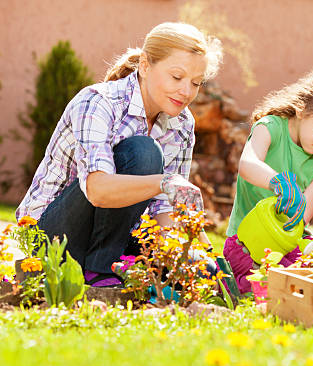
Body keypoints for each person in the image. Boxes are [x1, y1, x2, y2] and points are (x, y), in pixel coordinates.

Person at [16, 22, 223, 287]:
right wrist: (164, 182)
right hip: (52, 234)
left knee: (200, 269)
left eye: (196, 83)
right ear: (146, 66)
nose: (186, 92)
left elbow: (164, 210)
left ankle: (109, 268)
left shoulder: (182, 124)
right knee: (144, 152)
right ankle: (100, 272)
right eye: (176, 77)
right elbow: (97, 189)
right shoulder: (98, 101)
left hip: (113, 238)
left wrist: (197, 255)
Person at [224, 65, 313, 293]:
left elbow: (301, 218)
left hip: (284, 242)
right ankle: (238, 287)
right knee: (265, 286)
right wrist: (276, 181)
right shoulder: (271, 128)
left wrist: (296, 211)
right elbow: (247, 165)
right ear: (301, 110)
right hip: (243, 242)